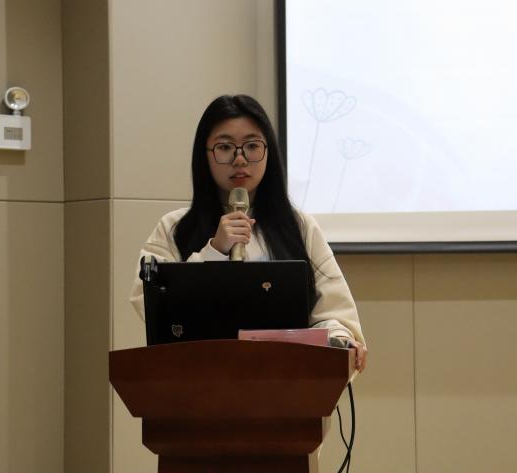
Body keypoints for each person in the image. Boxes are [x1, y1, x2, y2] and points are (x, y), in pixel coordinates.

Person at [129, 94, 367, 372]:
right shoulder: (174, 227)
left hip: (286, 382)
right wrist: (214, 252)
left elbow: (332, 311)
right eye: (225, 147)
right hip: (198, 380)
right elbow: (153, 307)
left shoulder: (299, 227)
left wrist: (339, 339)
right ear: (204, 155)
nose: (240, 159)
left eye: (252, 146)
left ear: (269, 152)